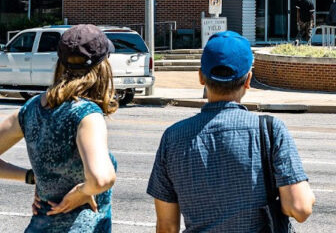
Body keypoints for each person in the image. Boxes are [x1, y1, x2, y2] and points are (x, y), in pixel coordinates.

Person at [147, 30, 315, 232]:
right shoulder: (270, 131)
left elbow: (166, 226)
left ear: (201, 77)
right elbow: (300, 208)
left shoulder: (172, 137)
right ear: (248, 80)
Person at [0, 24, 118, 232]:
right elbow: (102, 178)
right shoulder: (86, 113)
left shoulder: (31, 108)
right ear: (103, 66)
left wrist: (34, 177)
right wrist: (81, 192)